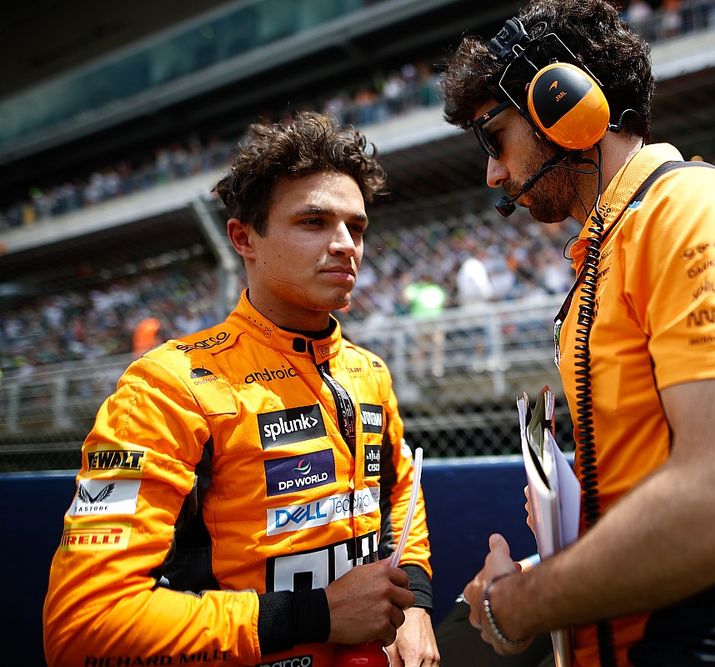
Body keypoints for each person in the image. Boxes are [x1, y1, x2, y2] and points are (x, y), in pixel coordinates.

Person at [440, 1, 715, 666]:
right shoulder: (608, 248)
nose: (494, 174)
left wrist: (519, 604)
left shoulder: (695, 210)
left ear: (562, 104)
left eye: (495, 138)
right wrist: (577, 511)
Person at [43, 112, 439, 667]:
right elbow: (83, 625)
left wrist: (414, 601)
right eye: (313, 222)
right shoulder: (166, 387)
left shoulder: (369, 371)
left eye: (357, 227)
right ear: (243, 238)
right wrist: (317, 614)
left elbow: (400, 496)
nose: (345, 245)